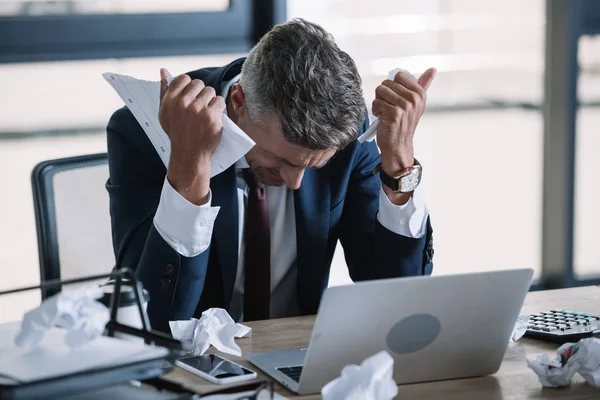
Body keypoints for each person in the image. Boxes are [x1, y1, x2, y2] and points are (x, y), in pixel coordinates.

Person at [106, 18, 436, 333]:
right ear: (238, 101)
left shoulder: (345, 134)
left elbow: (395, 300)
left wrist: (399, 163)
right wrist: (190, 163)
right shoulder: (145, 130)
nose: (295, 182)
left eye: (313, 165)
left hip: (300, 358)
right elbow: (152, 320)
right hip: (195, 370)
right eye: (280, 160)